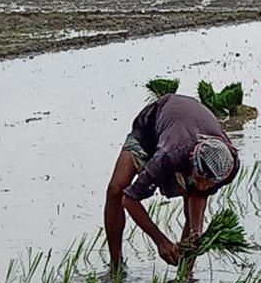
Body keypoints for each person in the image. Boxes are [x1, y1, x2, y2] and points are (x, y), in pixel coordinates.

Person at [103, 94, 240, 270]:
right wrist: (161, 241)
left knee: (194, 216)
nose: (203, 186)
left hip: (188, 125)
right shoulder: (168, 156)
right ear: (191, 161)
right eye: (199, 178)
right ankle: (116, 266)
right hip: (151, 127)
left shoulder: (228, 165)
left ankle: (185, 275)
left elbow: (198, 197)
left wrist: (196, 235)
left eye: (209, 183)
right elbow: (129, 199)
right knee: (115, 189)